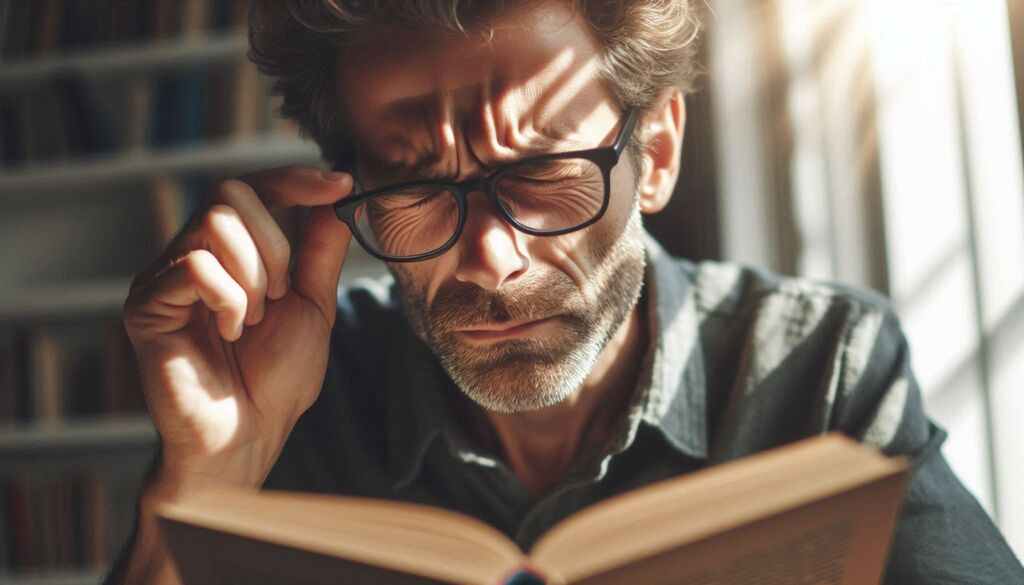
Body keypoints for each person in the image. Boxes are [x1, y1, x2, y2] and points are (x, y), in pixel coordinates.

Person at [107, 1, 1024, 583]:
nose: (492, 258)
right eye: (416, 187)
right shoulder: (299, 395)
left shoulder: (822, 370)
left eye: (544, 168)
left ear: (655, 154)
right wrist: (210, 474)